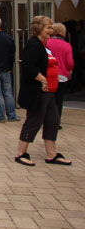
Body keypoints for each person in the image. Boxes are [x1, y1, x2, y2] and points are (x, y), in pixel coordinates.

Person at [15, 16, 71, 167]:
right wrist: (43, 79)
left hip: (50, 91)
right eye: (48, 28)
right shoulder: (34, 44)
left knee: (52, 120)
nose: (51, 31)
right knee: (34, 121)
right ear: (39, 28)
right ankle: (21, 153)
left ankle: (51, 154)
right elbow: (28, 65)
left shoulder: (43, 44)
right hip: (38, 92)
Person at [46, 22, 74, 129]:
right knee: (59, 99)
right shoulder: (66, 45)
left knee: (48, 98)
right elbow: (70, 62)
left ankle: (47, 120)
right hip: (62, 75)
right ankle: (56, 122)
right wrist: (69, 71)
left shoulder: (47, 42)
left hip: (49, 75)